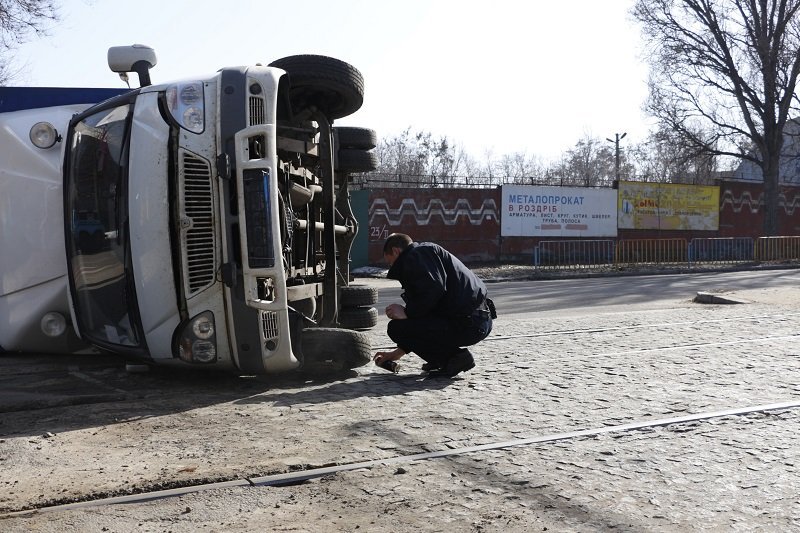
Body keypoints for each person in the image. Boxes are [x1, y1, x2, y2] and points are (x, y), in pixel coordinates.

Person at [373, 233, 496, 377]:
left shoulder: (416, 254)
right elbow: (426, 315)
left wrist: (408, 313)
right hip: (476, 319)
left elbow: (434, 290)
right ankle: (441, 359)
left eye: (390, 262)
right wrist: (396, 353)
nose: (392, 266)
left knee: (396, 328)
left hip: (470, 322)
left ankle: (455, 358)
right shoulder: (425, 255)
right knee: (404, 326)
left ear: (396, 251)